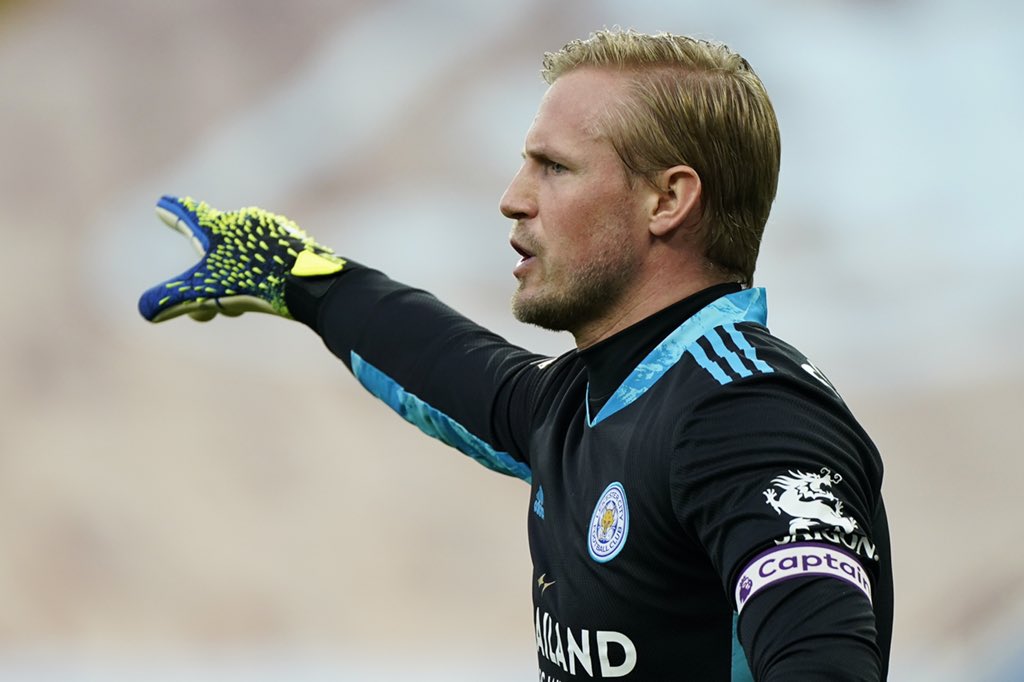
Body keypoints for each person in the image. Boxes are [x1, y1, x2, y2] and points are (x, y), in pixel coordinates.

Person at [139, 29, 893, 681]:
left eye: (553, 167)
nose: (512, 197)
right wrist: (304, 278)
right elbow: (451, 366)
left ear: (668, 201)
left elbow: (823, 662)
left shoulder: (745, 412)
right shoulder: (596, 399)